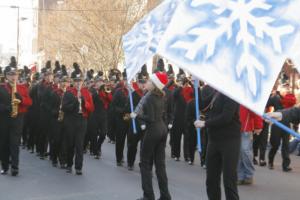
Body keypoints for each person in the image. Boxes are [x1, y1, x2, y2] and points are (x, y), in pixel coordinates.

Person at [194, 85, 241, 200]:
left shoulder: (232, 93)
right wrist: (195, 87)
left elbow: (226, 117)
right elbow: (202, 105)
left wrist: (205, 123)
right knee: (211, 180)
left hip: (230, 141)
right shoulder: (217, 91)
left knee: (229, 181)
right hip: (214, 140)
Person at [131, 72, 171, 200]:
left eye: (149, 81)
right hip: (162, 130)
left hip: (153, 130)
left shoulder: (149, 98)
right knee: (160, 165)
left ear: (154, 85)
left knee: (145, 163)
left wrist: (137, 115)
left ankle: (148, 196)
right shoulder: (161, 96)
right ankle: (165, 196)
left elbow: (150, 118)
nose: (146, 83)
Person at [0, 66, 32, 176]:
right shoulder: (1, 87)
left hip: (18, 118)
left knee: (14, 143)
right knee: (3, 143)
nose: (13, 76)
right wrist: (5, 108)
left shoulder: (22, 88)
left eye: (15, 74)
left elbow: (29, 102)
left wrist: (21, 99)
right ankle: (4, 166)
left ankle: (15, 167)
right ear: (6, 76)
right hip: (4, 119)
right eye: (10, 74)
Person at [62, 66, 94, 175]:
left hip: (82, 120)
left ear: (83, 81)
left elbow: (91, 108)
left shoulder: (86, 92)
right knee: (70, 144)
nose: (78, 83)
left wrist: (84, 102)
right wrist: (75, 102)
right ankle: (69, 164)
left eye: (80, 81)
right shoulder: (68, 92)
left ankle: (79, 167)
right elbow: (64, 107)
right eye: (76, 81)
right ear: (73, 82)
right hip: (70, 120)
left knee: (79, 145)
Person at [267, 89, 294, 172]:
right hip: (277, 124)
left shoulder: (290, 101)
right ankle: (271, 161)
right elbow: (267, 103)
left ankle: (285, 165)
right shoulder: (276, 99)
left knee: (285, 145)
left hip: (286, 125)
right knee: (275, 145)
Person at [237, 106, 263, 185]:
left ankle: (249, 175)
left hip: (246, 128)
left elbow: (255, 108)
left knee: (245, 151)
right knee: (238, 153)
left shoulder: (247, 95)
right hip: (234, 127)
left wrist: (258, 125)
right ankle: (239, 176)